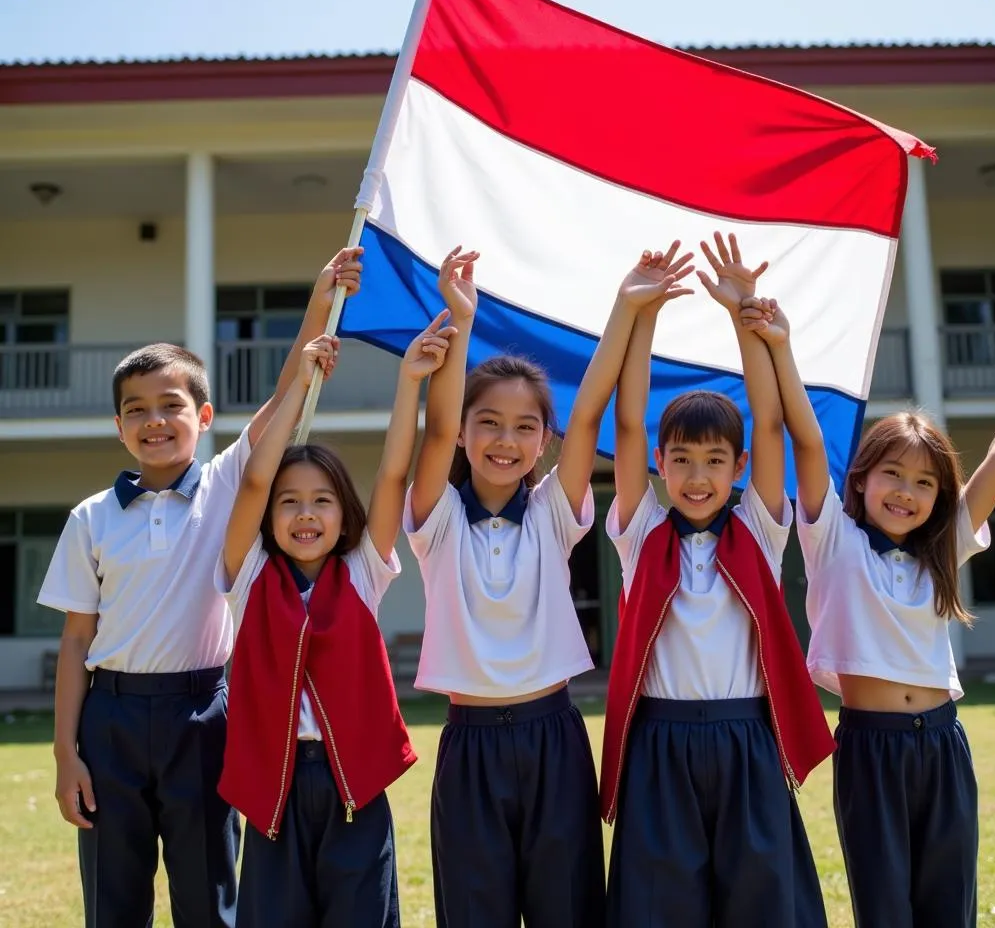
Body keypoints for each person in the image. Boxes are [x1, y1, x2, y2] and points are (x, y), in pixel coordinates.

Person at [36, 248, 362, 928]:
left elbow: (283, 398)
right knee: (113, 899)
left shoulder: (224, 487)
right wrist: (67, 753)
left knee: (209, 893)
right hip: (111, 719)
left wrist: (317, 301)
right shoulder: (90, 518)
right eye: (136, 410)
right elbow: (74, 643)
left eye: (171, 405)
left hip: (205, 712)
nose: (155, 421)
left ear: (204, 416)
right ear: (119, 427)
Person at [405, 243, 692, 928]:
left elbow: (589, 413)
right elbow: (438, 425)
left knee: (567, 907)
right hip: (470, 744)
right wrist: (460, 321)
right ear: (468, 435)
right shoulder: (437, 521)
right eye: (490, 424)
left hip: (554, 735)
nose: (506, 440)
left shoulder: (552, 517)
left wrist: (626, 308)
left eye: (525, 427)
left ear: (543, 444)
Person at [742, 291, 995, 928]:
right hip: (871, 747)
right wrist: (779, 345)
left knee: (949, 907)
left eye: (925, 483)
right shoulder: (832, 539)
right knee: (885, 907)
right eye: (893, 474)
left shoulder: (942, 550)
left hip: (944, 743)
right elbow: (805, 441)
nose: (907, 492)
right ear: (862, 479)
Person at [601, 232, 832, 928]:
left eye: (713, 461)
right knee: (659, 905)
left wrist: (744, 316)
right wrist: (640, 316)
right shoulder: (641, 534)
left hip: (746, 738)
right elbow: (631, 423)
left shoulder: (759, 531)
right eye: (681, 461)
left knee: (760, 901)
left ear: (736, 471)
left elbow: (770, 424)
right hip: (660, 744)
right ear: (659, 470)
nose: (696, 477)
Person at [218, 312, 456, 927]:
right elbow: (251, 481)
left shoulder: (360, 573)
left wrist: (409, 383)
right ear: (270, 519)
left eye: (321, 500)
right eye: (289, 503)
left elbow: (394, 475)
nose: (305, 514)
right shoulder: (247, 578)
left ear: (342, 513)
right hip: (276, 789)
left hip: (355, 788)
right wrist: (297, 383)